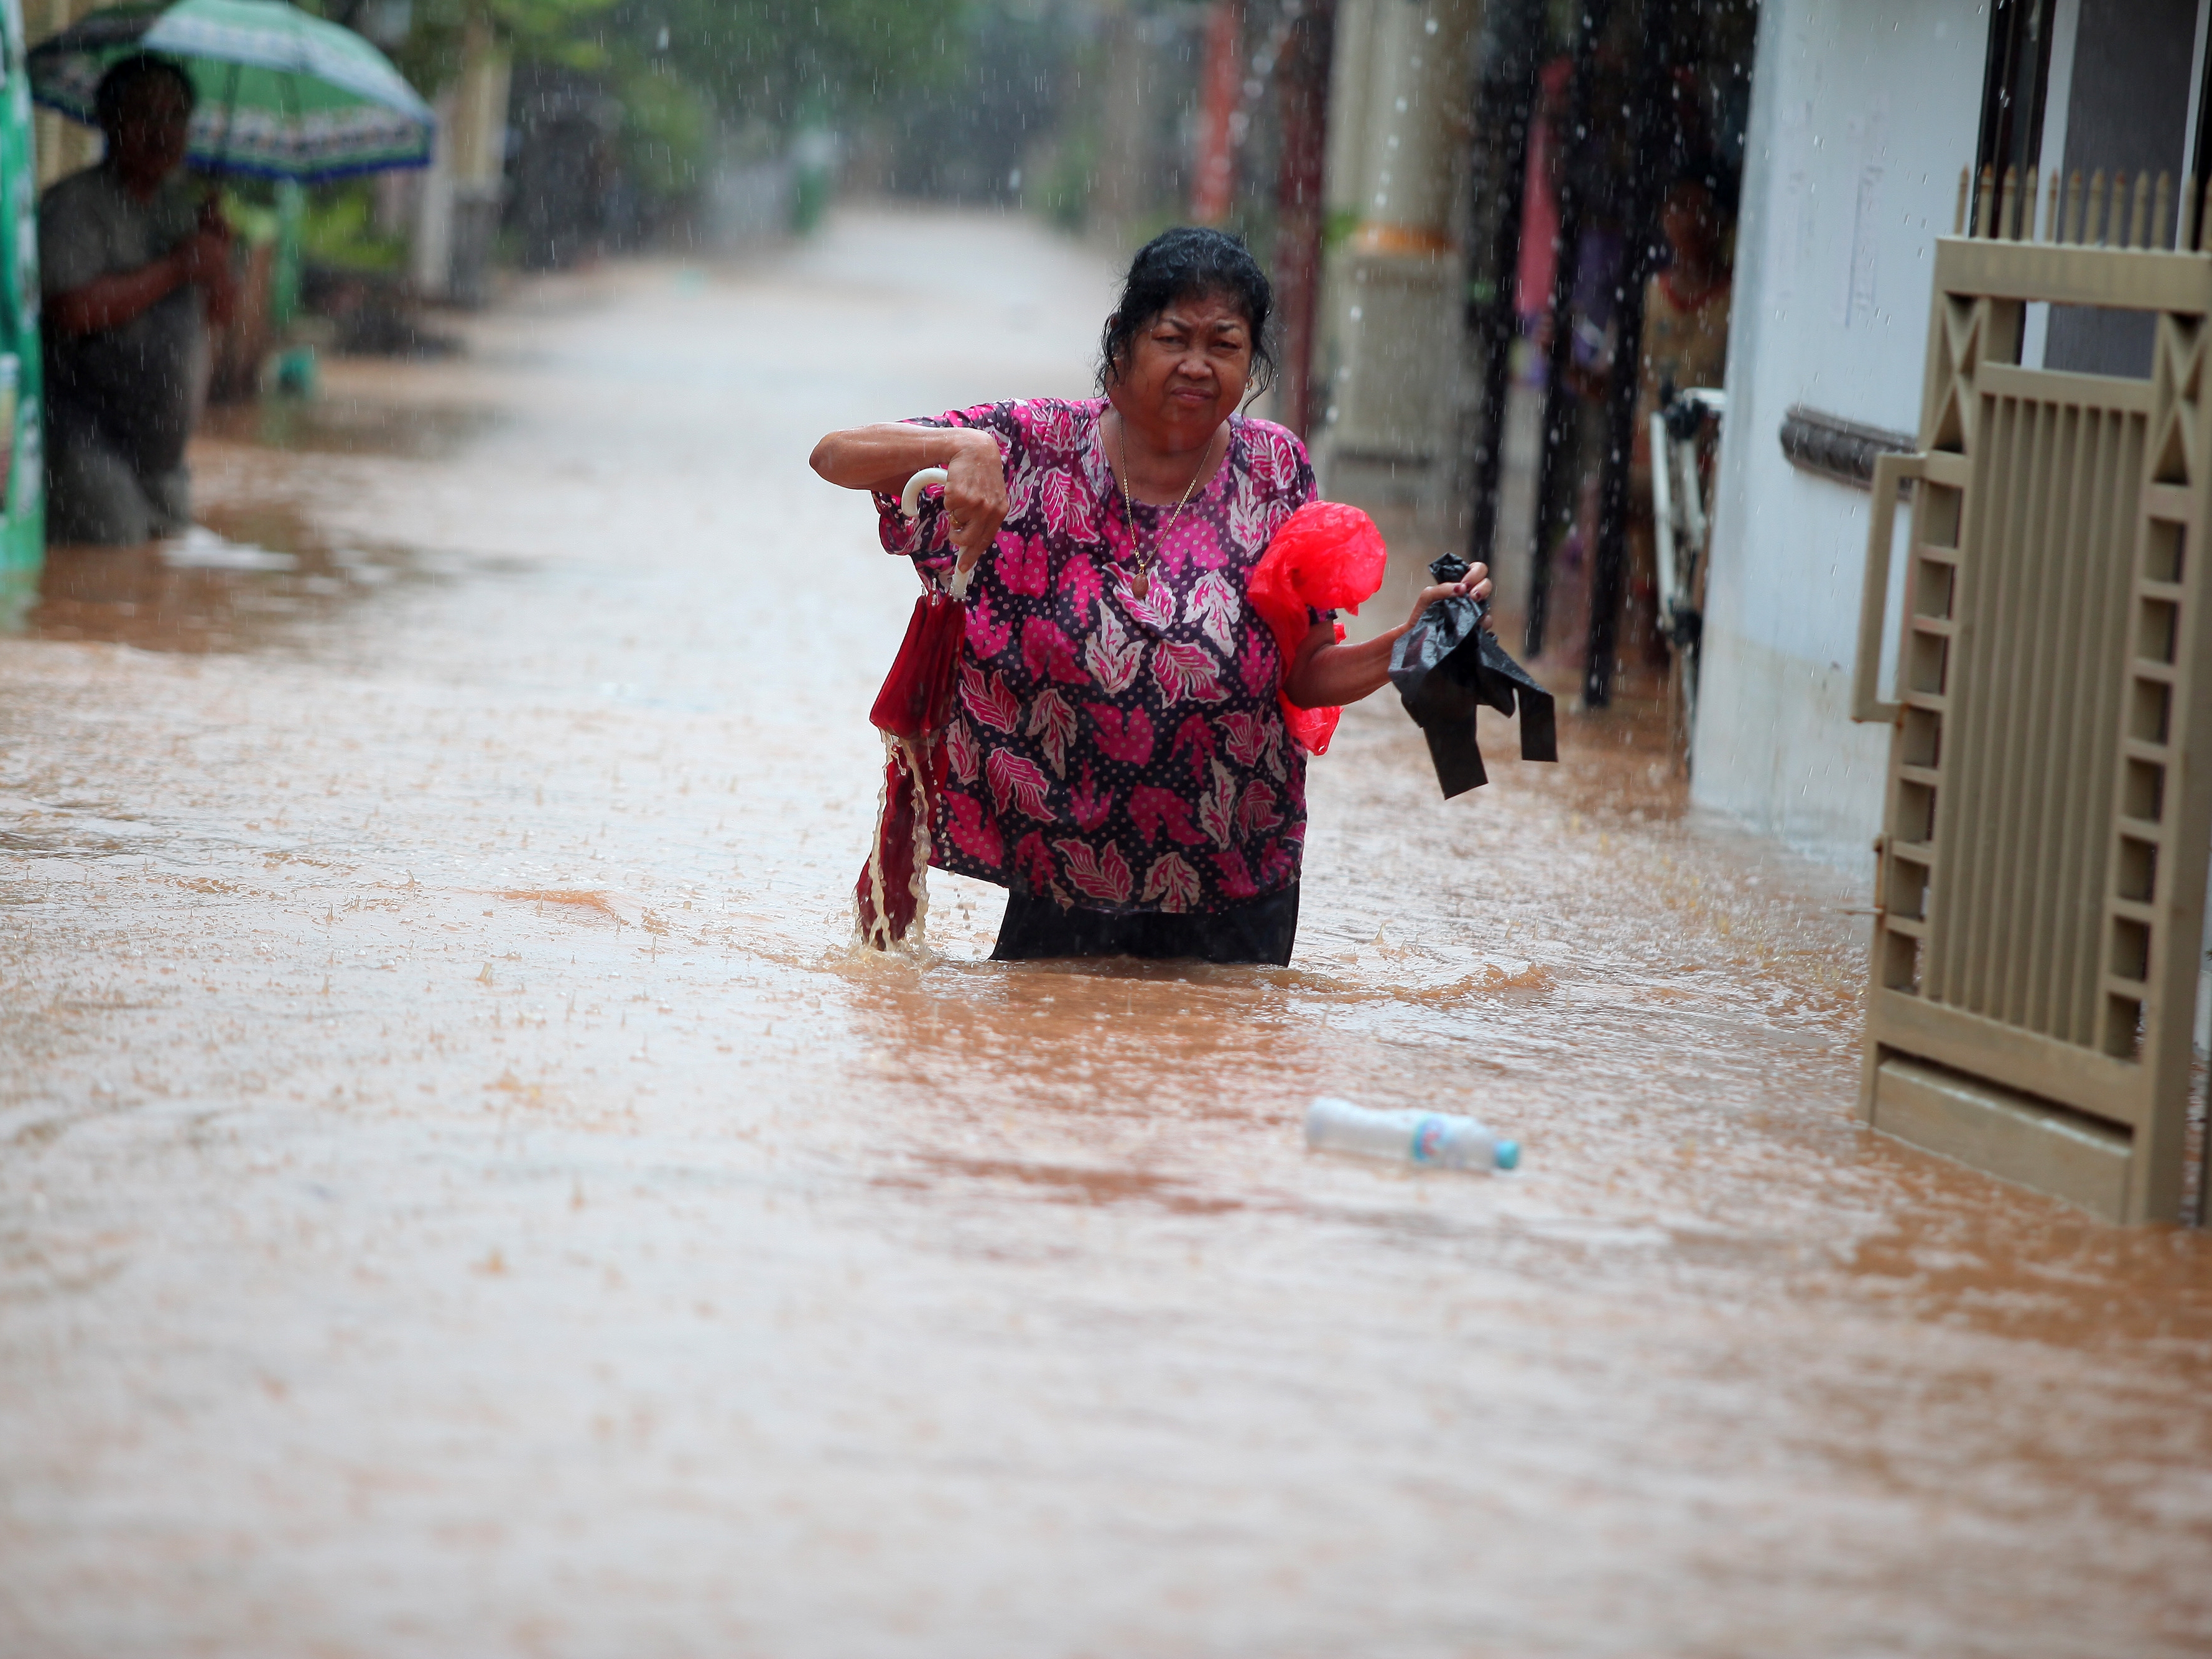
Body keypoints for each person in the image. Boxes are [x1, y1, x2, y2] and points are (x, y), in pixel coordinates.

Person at [810, 227, 1489, 966]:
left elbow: (1303, 673)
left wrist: (1410, 641)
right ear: (1121, 348)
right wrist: (961, 448)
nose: (1197, 365)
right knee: (1041, 1058)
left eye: (1224, 345)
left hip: (1238, 876)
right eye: (1173, 338)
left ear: (1250, 361)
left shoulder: (1275, 470)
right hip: (1059, 868)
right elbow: (835, 454)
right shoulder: (1033, 443)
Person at [40, 53, 236, 546]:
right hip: (82, 439)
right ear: (109, 119)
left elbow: (222, 315)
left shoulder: (183, 210)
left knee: (159, 579)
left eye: (175, 116)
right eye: (145, 113)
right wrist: (176, 268)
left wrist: (217, 261)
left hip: (162, 459)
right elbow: (72, 311)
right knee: (108, 568)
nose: (161, 130)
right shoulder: (75, 206)